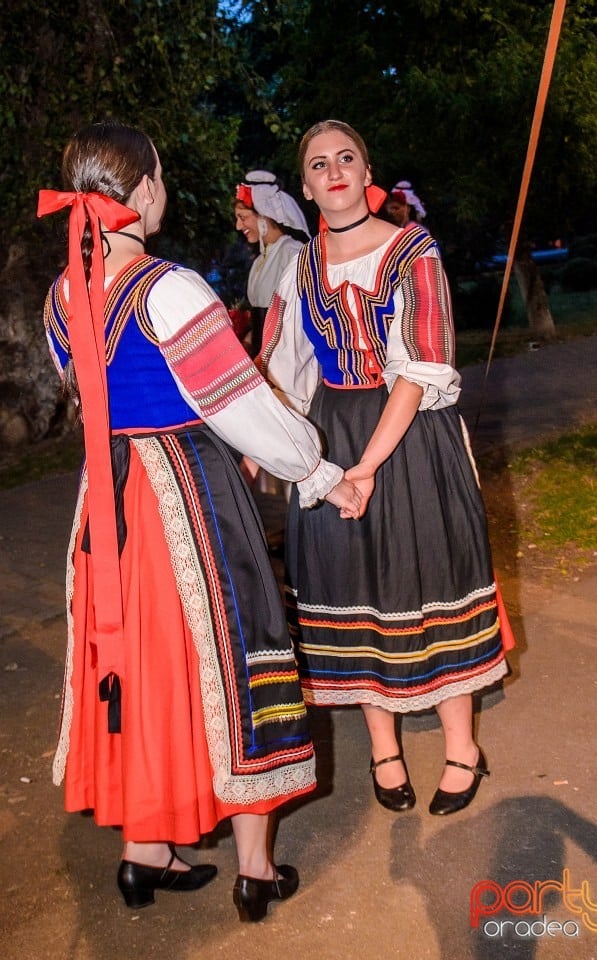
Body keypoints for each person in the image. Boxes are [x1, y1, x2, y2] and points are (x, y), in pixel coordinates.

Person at [37, 121, 360, 919]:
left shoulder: (58, 299)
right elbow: (242, 407)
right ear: (143, 190)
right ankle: (255, 869)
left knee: (139, 668)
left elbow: (91, 400)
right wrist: (317, 470)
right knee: (236, 653)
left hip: (107, 509)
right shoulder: (169, 288)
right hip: (183, 493)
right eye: (163, 178)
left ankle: (145, 855)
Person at [259, 120, 513, 817]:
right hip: (332, 435)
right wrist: (274, 453)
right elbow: (283, 370)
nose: (334, 170)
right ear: (306, 185)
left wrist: (365, 466)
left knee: (431, 576)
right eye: (319, 164)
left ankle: (461, 746)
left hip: (410, 438)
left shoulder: (412, 251)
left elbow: (420, 366)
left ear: (366, 168)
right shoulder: (298, 267)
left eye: (346, 158)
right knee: (355, 587)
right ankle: (384, 749)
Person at [234, 170, 310, 356]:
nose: (238, 226)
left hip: (290, 365)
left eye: (243, 218)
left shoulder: (294, 254)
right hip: (264, 364)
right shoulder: (260, 260)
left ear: (264, 215)